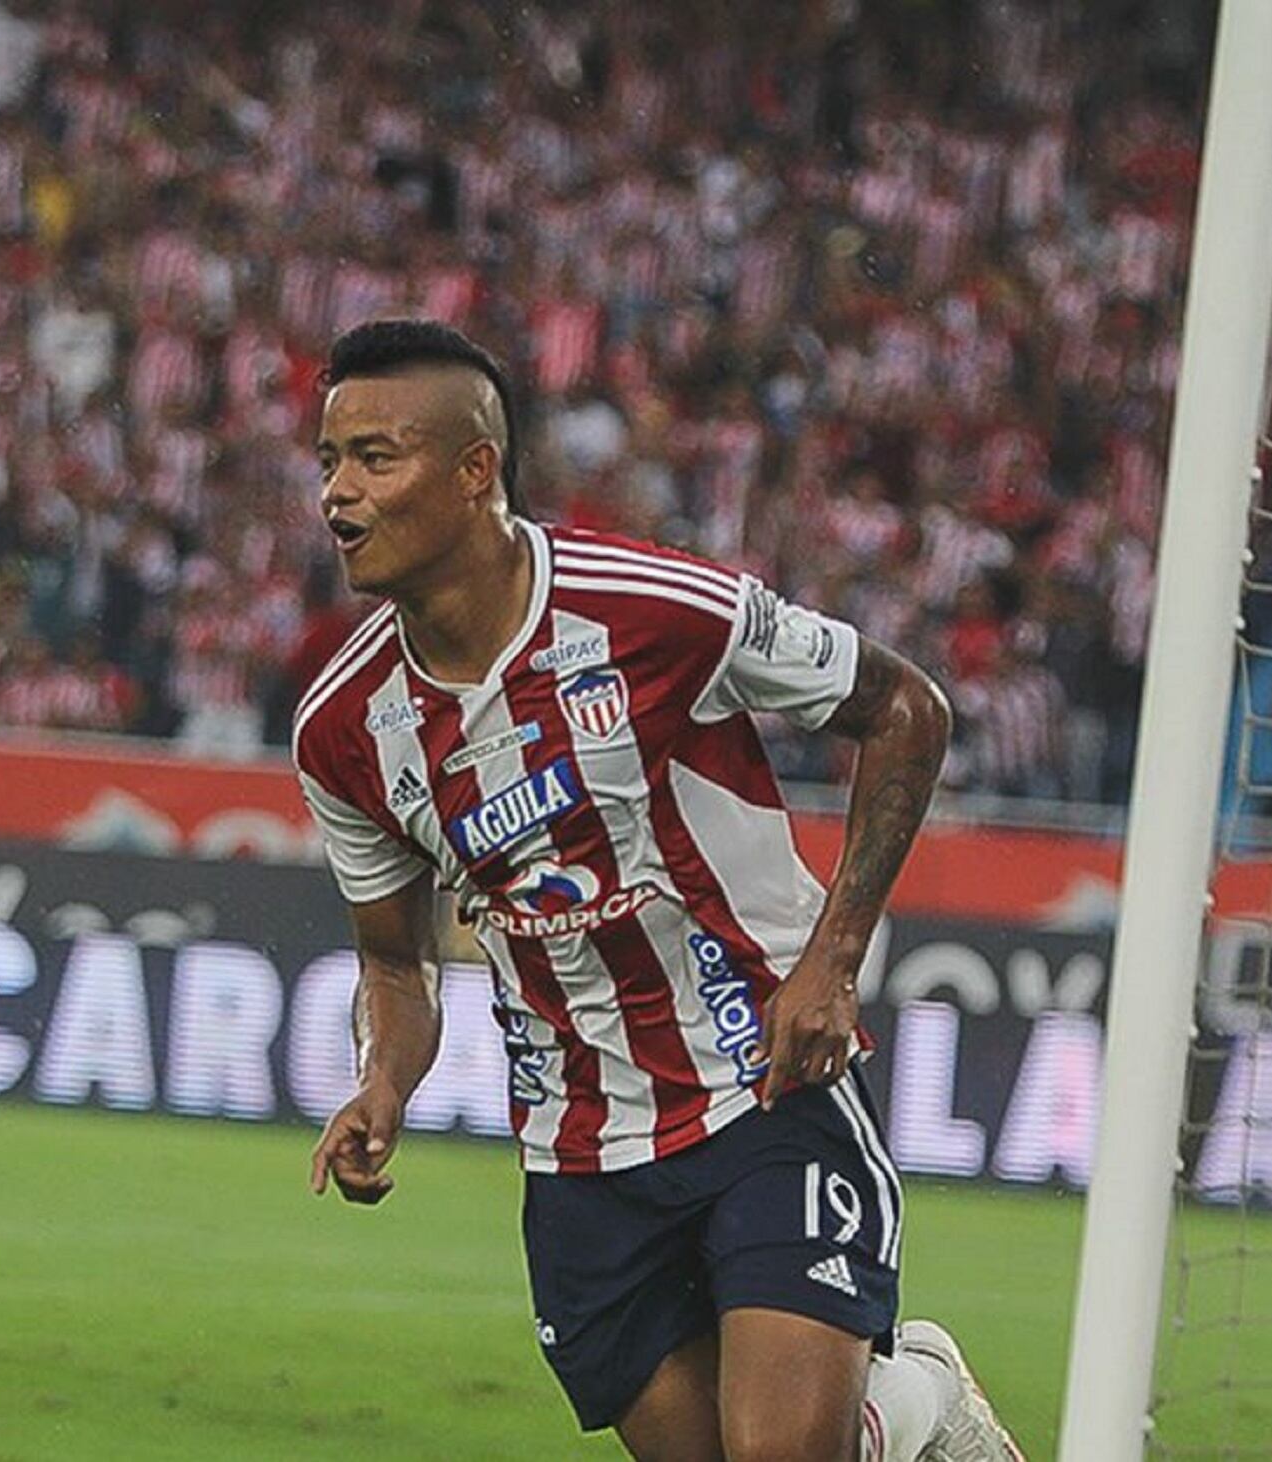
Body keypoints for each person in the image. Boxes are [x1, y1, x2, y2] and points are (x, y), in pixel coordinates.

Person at [295, 321, 1022, 1462]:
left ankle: (916, 1385)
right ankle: (901, 1418)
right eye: (328, 461)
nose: (337, 494)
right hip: (577, 1149)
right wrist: (380, 1082)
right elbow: (394, 961)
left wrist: (829, 964)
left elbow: (905, 711)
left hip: (762, 1088)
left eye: (373, 458)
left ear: (475, 469)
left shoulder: (652, 611)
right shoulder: (342, 728)